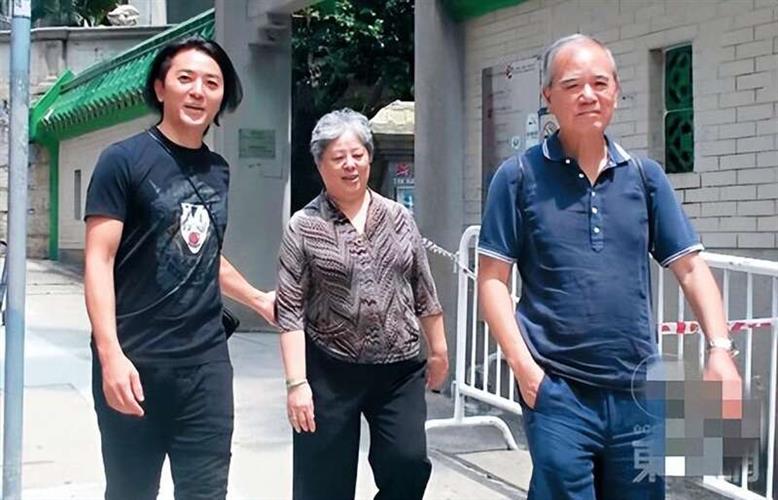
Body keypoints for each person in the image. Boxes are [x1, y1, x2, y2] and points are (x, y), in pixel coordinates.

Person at [478, 34, 742, 500]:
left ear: (616, 92)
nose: (588, 95)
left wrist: (720, 350)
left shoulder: (645, 177)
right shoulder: (517, 177)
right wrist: (525, 370)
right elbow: (492, 281)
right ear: (548, 96)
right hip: (557, 389)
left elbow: (690, 269)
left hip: (640, 394)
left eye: (600, 83)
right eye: (572, 85)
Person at [84, 37, 275, 500]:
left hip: (206, 366)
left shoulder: (218, 170)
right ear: (160, 87)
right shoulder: (122, 160)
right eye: (185, 79)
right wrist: (110, 355)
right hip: (136, 362)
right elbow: (99, 259)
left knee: (206, 492)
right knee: (131, 492)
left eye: (212, 83)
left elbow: (201, 254)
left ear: (222, 97)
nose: (198, 92)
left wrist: (257, 299)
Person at [275, 108, 449, 500]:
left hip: (399, 368)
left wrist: (438, 349)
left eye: (358, 154)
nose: (350, 165)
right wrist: (296, 384)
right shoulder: (304, 227)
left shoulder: (399, 217)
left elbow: (423, 287)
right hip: (330, 368)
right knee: (323, 485)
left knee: (408, 465)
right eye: (338, 157)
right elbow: (289, 311)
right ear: (320, 164)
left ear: (370, 157)